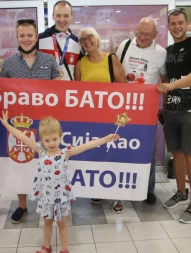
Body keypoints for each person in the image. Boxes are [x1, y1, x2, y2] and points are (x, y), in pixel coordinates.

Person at [0, 110, 119, 253]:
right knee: (47, 223)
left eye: (54, 139)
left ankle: (64, 249)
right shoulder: (40, 151)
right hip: (46, 199)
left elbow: (87, 145)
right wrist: (7, 125)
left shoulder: (65, 153)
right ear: (41, 140)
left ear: (60, 137)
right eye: (47, 140)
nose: (51, 143)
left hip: (61, 199)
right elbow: (22, 137)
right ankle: (46, 247)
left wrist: (105, 139)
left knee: (62, 225)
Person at [0, 19, 60, 224]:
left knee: (46, 164)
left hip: (45, 125)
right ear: (17, 37)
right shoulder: (8, 64)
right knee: (21, 163)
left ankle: (48, 200)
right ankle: (22, 205)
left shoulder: (50, 60)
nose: (26, 39)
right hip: (20, 125)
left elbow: (59, 90)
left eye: (30, 35)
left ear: (36, 36)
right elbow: (0, 93)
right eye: (22, 35)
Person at [157, 8, 191, 223]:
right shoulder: (168, 50)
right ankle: (181, 192)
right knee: (176, 154)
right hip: (173, 111)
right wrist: (165, 105)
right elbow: (166, 77)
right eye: (173, 23)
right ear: (168, 26)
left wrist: (172, 86)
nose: (177, 26)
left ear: (187, 24)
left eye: (180, 23)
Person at [116, 17, 168, 206]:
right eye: (140, 33)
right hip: (123, 108)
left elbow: (164, 79)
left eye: (147, 34)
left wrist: (165, 105)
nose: (143, 37)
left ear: (156, 35)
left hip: (147, 111)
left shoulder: (161, 53)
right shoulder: (124, 45)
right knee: (121, 146)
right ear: (136, 30)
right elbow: (116, 72)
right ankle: (120, 187)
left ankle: (148, 189)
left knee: (148, 150)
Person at [74, 27, 125, 212]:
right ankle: (97, 191)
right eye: (82, 39)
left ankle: (116, 196)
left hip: (110, 118)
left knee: (112, 155)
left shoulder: (111, 58)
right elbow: (77, 94)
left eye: (89, 37)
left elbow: (123, 87)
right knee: (94, 155)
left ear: (96, 38)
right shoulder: (80, 64)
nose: (86, 41)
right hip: (90, 119)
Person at [37, 0, 81, 81]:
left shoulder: (78, 43)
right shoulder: (39, 39)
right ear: (53, 16)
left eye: (66, 16)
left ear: (71, 16)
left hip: (68, 92)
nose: (62, 19)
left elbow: (78, 72)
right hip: (46, 92)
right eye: (58, 15)